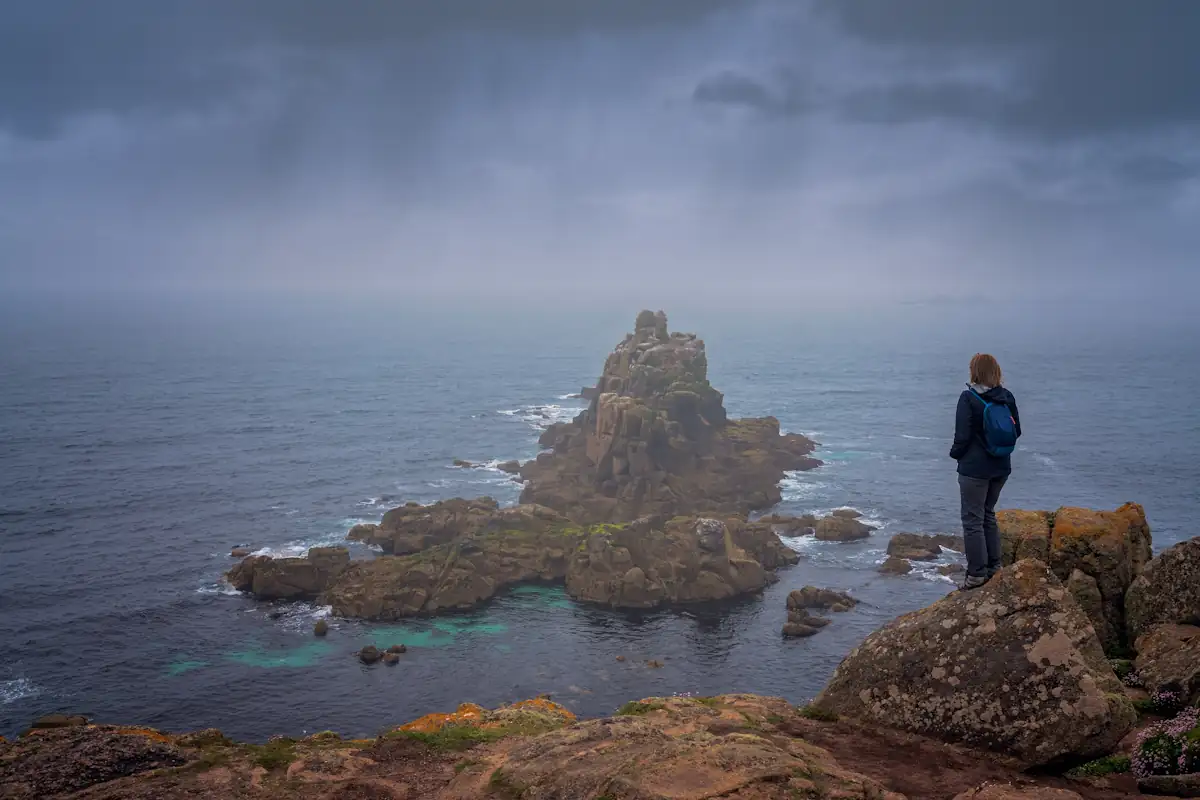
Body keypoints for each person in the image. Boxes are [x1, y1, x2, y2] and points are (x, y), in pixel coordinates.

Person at [950, 353, 1021, 590]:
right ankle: (994, 567)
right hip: (1001, 466)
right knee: (988, 514)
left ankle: (976, 575)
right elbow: (1016, 431)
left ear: (974, 372)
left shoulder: (968, 398)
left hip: (974, 470)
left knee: (972, 520)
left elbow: (962, 437)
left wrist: (956, 454)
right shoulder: (1007, 397)